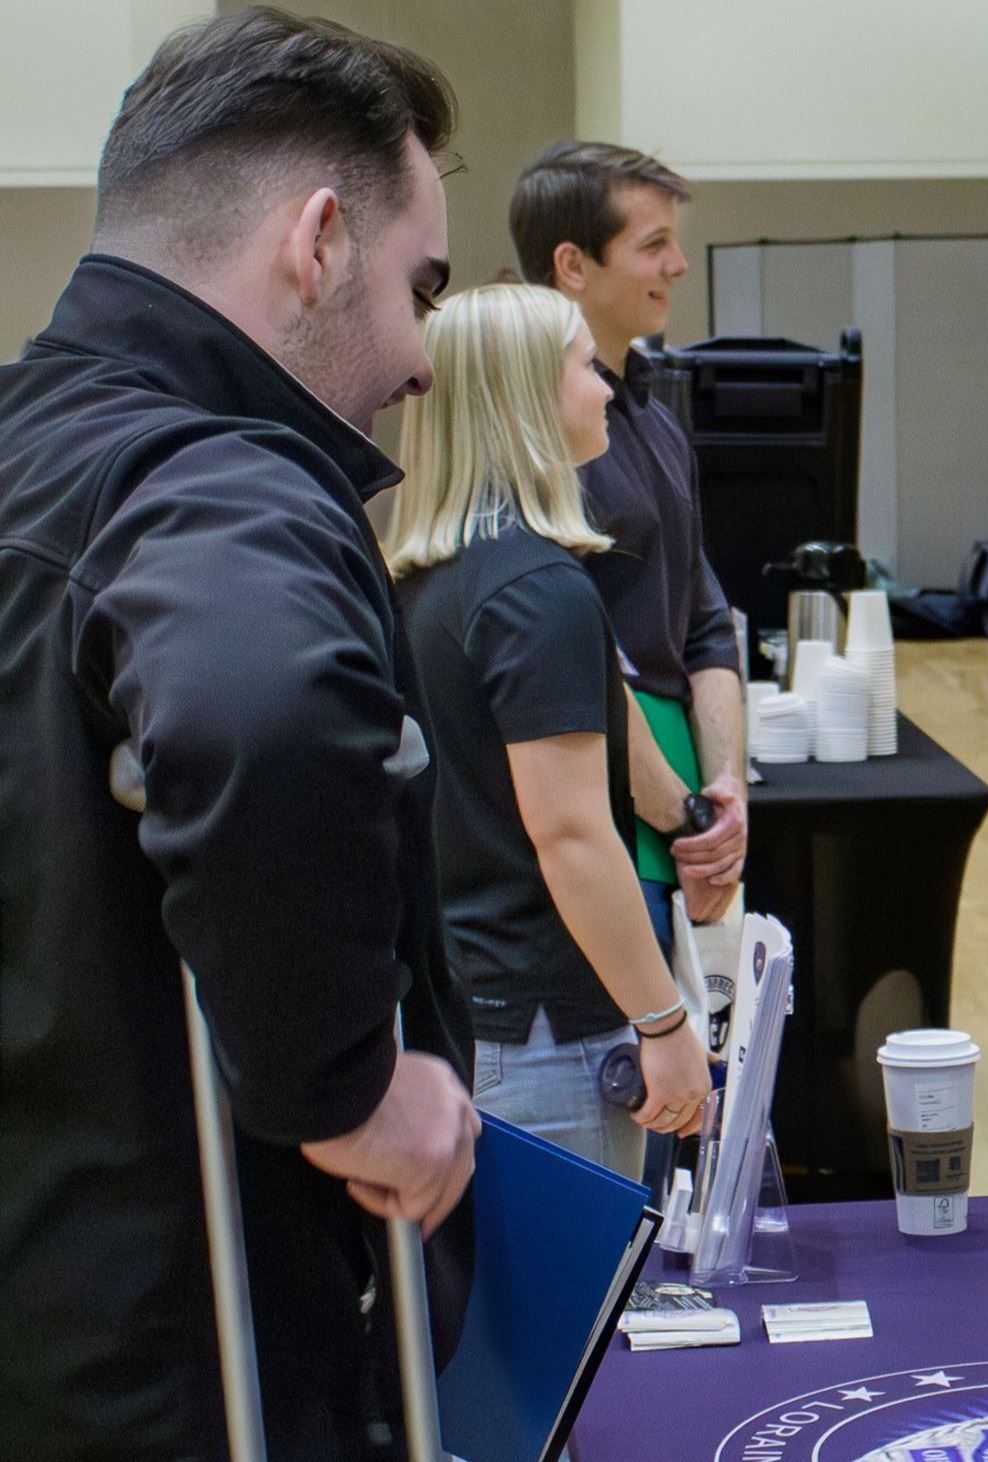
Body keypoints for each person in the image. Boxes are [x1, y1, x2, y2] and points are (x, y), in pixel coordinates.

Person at [0, 11, 481, 1457]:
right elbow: (259, 715)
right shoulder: (216, 479)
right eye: (420, 288)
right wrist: (348, 1089)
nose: (421, 359)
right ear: (317, 242)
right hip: (192, 1363)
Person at [384, 284, 715, 1173]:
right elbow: (570, 834)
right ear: (524, 397)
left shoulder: (437, 579)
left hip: (473, 1008)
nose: (606, 388)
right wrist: (664, 1022)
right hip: (547, 1038)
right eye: (583, 366)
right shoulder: (538, 592)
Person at [510, 141, 746, 945]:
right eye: (654, 244)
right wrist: (688, 821)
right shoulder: (540, 442)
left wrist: (725, 795)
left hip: (680, 802)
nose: (678, 264)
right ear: (573, 265)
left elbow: (707, 627)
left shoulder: (657, 419)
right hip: (605, 809)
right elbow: (579, 663)